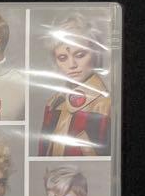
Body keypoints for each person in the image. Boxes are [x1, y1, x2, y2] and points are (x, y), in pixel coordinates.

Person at [38, 14, 112, 157]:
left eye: (80, 55)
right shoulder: (53, 103)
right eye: (62, 58)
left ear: (95, 54)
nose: (72, 65)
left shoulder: (107, 105)